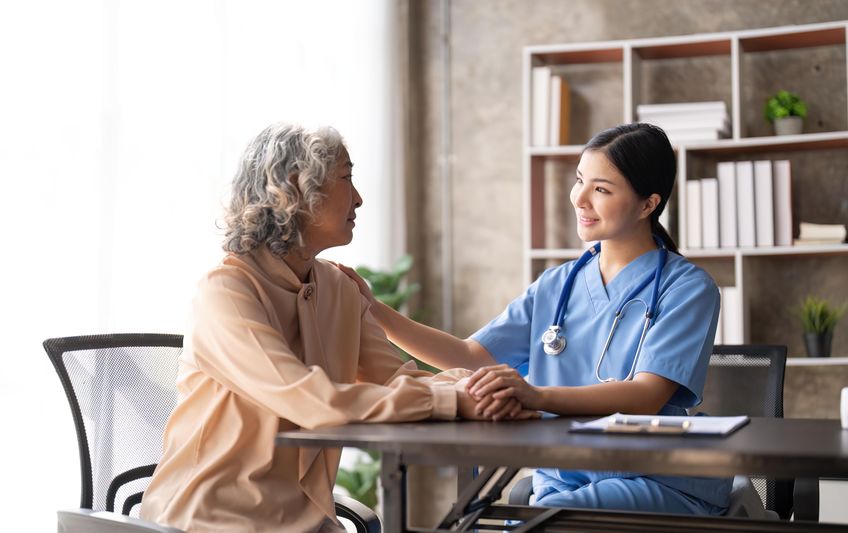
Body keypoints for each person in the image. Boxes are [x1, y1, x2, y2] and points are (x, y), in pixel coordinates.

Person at [140, 123, 535, 533]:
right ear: (294, 191)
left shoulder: (337, 288)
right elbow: (311, 401)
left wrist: (482, 389)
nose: (359, 198)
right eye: (346, 177)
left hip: (307, 521)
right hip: (211, 520)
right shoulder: (224, 293)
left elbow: (398, 378)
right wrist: (452, 400)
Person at [338, 123, 732, 516]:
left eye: (601, 189)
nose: (580, 199)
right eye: (580, 180)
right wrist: (374, 309)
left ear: (648, 204)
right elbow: (469, 355)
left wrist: (536, 396)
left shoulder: (688, 288)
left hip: (654, 476)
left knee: (538, 520)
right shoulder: (557, 285)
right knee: (516, 516)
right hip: (564, 476)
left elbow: (646, 396)